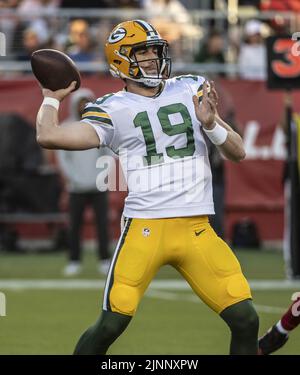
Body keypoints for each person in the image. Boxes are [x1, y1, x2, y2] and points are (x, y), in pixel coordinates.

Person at [35, 19, 259, 355]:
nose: (154, 58)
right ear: (121, 61)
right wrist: (51, 98)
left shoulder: (189, 88)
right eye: (143, 52)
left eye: (156, 50)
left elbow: (238, 152)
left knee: (246, 318)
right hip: (145, 228)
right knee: (111, 324)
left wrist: (211, 125)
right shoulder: (112, 109)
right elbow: (48, 136)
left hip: (196, 228)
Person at [56, 88, 111, 276]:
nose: (83, 106)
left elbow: (108, 154)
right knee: (74, 226)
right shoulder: (66, 127)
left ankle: (104, 260)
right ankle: (74, 261)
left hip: (98, 187)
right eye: (80, 103)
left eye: (86, 102)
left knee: (103, 225)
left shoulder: (100, 126)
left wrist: (102, 176)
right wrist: (74, 178)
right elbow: (63, 158)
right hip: (75, 188)